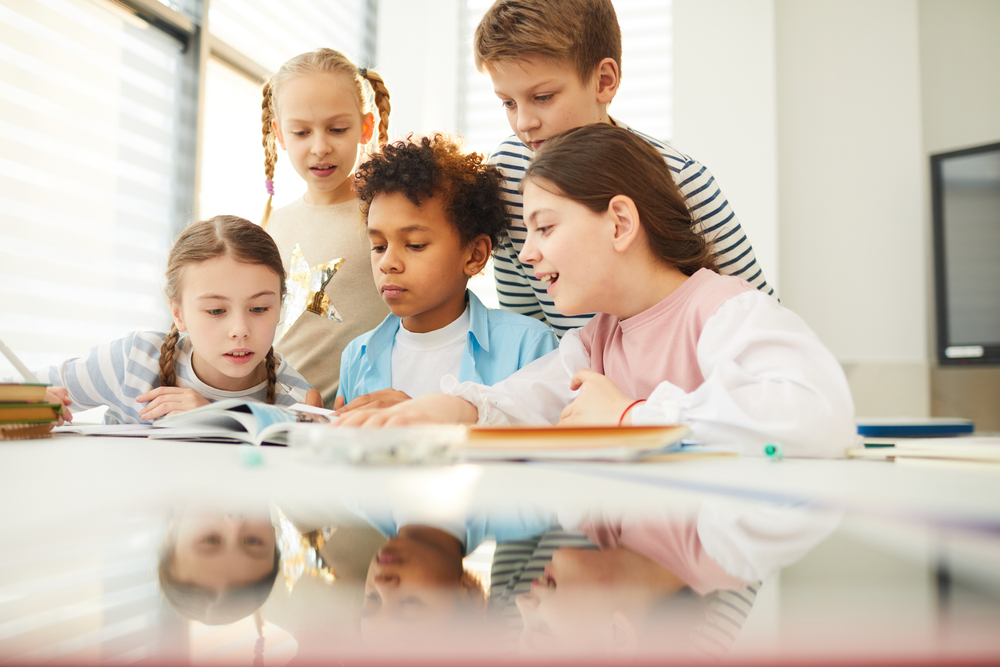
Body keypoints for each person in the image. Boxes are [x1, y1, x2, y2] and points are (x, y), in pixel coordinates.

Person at [335, 125, 855, 459]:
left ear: (620, 223)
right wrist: (445, 411)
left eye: (545, 228)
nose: (528, 253)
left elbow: (818, 414)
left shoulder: (724, 310)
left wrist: (631, 418)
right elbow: (524, 401)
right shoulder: (596, 341)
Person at [473, 0, 774, 337]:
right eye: (508, 103)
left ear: (604, 80)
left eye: (543, 97)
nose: (524, 122)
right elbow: (526, 331)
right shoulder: (509, 171)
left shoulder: (680, 179)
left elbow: (760, 321)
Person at [334, 133, 558, 413]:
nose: (388, 263)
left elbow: (542, 446)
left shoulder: (529, 347)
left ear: (475, 254)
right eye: (379, 246)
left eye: (415, 245)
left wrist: (420, 417)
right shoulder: (356, 357)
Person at [38, 216, 319, 425]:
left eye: (258, 309)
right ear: (178, 313)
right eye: (216, 311)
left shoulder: (297, 402)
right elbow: (13, 392)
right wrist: (26, 404)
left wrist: (214, 420)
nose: (240, 331)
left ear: (280, 306)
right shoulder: (134, 359)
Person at [260, 48, 393, 408]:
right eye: (301, 132)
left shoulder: (386, 216)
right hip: (274, 413)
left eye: (337, 129)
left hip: (357, 414)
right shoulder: (272, 223)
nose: (320, 147)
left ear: (365, 127)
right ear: (281, 135)